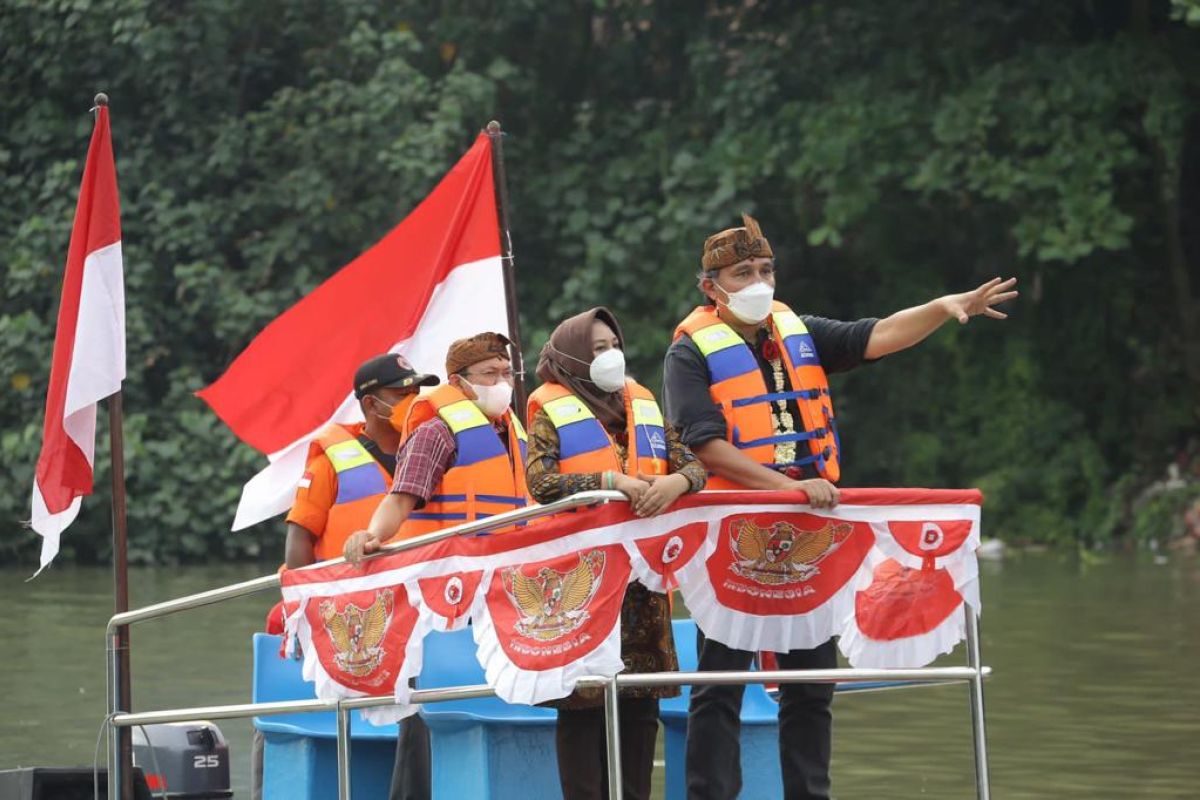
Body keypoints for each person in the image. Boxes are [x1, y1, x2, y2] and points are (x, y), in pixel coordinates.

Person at [665, 214, 1017, 800]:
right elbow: (704, 443)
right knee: (720, 681)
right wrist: (781, 486)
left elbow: (875, 335)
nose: (759, 281)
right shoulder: (689, 351)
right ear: (711, 286)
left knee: (810, 683)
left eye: (766, 269)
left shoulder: (794, 328)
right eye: (744, 272)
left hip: (811, 527)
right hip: (735, 532)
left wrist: (942, 306)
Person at [525, 307, 707, 800]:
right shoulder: (549, 407)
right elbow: (541, 482)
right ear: (572, 356)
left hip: (643, 582)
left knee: (638, 705)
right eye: (597, 348)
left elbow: (693, 465)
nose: (610, 356)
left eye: (613, 345)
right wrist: (613, 483)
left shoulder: (641, 402)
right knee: (582, 706)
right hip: (580, 580)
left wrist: (674, 481)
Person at [343, 331, 532, 800]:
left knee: (499, 705)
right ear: (460, 382)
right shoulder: (436, 430)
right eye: (490, 374)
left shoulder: (515, 428)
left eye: (507, 373)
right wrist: (374, 535)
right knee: (427, 719)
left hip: (507, 592)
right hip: (445, 598)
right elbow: (403, 495)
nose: (501, 383)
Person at [253, 352, 438, 800]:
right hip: (357, 622)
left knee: (433, 698)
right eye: (403, 393)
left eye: (418, 392)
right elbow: (297, 555)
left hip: (423, 616)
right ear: (373, 404)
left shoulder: (434, 453)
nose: (414, 401)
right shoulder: (329, 465)